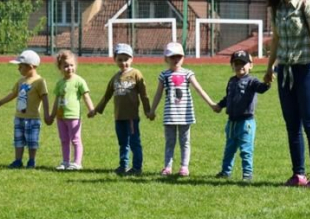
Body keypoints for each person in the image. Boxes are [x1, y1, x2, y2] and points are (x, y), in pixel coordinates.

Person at [263, 0, 310, 188]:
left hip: (306, 69)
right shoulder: (277, 8)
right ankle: (298, 174)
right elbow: (276, 40)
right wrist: (270, 68)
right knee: (292, 124)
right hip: (285, 71)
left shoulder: (307, 5)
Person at [148, 42, 216, 177]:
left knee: (185, 141)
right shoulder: (164, 75)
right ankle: (167, 166)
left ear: (183, 57)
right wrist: (152, 110)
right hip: (170, 115)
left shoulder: (188, 74)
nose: (176, 60)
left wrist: (211, 104)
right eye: (172, 57)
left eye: (179, 56)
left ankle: (184, 167)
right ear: (166, 59)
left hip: (185, 115)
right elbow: (158, 94)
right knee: (170, 142)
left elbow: (198, 89)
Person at [89, 43, 151, 176]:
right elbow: (106, 96)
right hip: (118, 117)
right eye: (120, 59)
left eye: (126, 59)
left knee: (134, 142)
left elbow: (144, 94)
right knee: (123, 142)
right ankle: (123, 165)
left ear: (132, 59)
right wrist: (95, 110)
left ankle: (137, 167)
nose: (124, 62)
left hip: (131, 117)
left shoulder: (136, 74)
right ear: (115, 60)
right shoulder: (115, 78)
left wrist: (148, 111)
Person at [212, 50, 270, 181]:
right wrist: (220, 105)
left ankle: (247, 175)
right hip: (231, 123)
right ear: (232, 66)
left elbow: (261, 88)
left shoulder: (252, 81)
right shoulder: (231, 81)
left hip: (246, 123)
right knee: (229, 149)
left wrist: (267, 82)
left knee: (245, 150)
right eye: (236, 63)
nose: (240, 66)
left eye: (243, 63)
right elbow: (228, 98)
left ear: (251, 65)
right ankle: (225, 172)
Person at [0, 50, 51, 168]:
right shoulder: (21, 81)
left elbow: (44, 97)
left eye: (20, 66)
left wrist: (47, 114)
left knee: (32, 141)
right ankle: (18, 160)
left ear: (30, 66)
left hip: (32, 118)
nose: (18, 68)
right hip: (19, 117)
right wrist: (0, 102)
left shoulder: (39, 81)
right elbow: (13, 94)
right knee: (18, 140)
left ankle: (31, 161)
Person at [47, 50, 94, 171]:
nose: (69, 68)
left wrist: (91, 109)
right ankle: (65, 162)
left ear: (76, 66)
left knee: (75, 139)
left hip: (73, 116)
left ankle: (77, 162)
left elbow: (86, 96)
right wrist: (52, 115)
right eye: (66, 66)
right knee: (64, 140)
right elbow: (56, 100)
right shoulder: (60, 83)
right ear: (60, 67)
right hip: (60, 116)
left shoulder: (79, 81)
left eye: (71, 65)